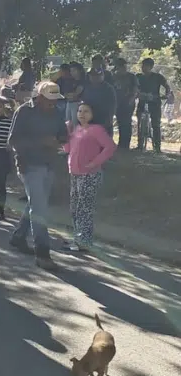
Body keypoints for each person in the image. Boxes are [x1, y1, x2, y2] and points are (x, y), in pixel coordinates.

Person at [7, 81, 68, 271]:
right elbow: (13, 141)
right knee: (40, 209)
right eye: (50, 100)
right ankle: (43, 254)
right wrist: (41, 142)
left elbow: (63, 135)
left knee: (36, 204)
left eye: (56, 100)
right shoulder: (24, 111)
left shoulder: (57, 112)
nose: (53, 103)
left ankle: (18, 237)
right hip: (29, 165)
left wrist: (59, 141)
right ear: (39, 97)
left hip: (49, 163)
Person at [64, 103, 117, 252]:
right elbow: (67, 149)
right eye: (80, 111)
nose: (82, 114)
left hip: (89, 175)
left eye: (86, 111)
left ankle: (85, 241)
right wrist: (66, 133)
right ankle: (78, 237)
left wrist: (94, 162)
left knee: (84, 209)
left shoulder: (96, 130)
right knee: (74, 208)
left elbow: (110, 147)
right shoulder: (76, 129)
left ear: (93, 114)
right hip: (74, 173)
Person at [136, 57, 171, 153]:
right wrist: (137, 93)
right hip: (142, 101)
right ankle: (140, 144)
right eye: (142, 65)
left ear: (151, 67)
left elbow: (167, 86)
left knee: (156, 124)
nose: (143, 68)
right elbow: (134, 87)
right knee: (139, 123)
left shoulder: (158, 77)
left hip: (155, 102)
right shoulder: (138, 77)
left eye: (146, 66)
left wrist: (167, 94)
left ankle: (157, 146)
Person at [80, 69, 116, 136]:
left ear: (102, 76)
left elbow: (112, 106)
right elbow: (84, 102)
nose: (94, 77)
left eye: (97, 76)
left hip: (104, 119)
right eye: (92, 75)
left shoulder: (108, 88)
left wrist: (109, 119)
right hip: (90, 119)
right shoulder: (87, 87)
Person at [111, 58, 138, 150]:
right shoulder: (113, 76)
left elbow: (135, 90)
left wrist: (130, 100)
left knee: (126, 123)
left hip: (128, 103)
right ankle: (120, 144)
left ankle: (125, 144)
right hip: (117, 103)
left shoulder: (131, 76)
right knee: (119, 122)